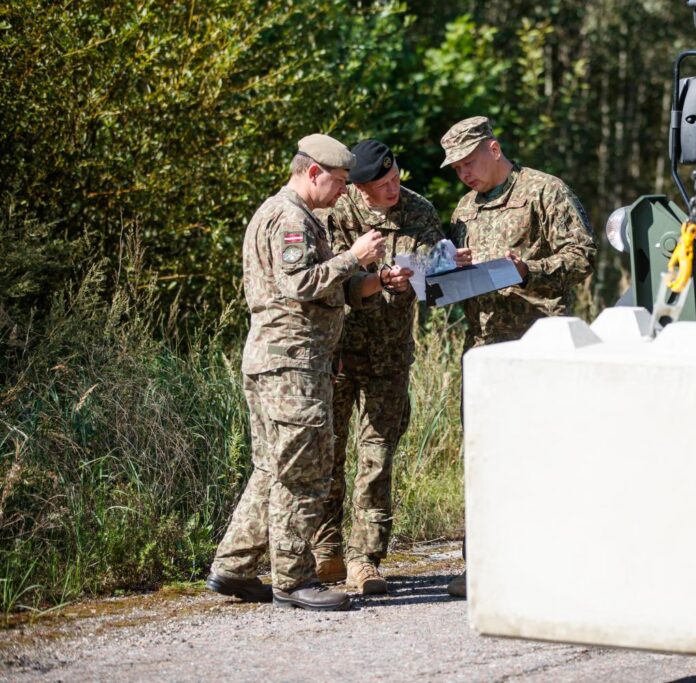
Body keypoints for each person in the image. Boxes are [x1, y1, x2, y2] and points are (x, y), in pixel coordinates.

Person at [205, 134, 405, 611]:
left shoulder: (284, 213)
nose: (342, 192)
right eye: (337, 182)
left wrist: (371, 282)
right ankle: (293, 580)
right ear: (312, 173)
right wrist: (354, 257)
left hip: (279, 361)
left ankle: (233, 566)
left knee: (271, 467)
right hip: (292, 364)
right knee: (303, 472)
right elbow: (299, 285)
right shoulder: (292, 218)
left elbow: (321, 289)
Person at [439, 116, 596, 597]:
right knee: (484, 458)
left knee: (543, 453)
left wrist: (528, 270)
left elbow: (583, 255)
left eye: (469, 163)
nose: (464, 174)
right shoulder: (464, 209)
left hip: (536, 347)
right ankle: (484, 565)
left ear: (493, 148)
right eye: (457, 168)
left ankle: (550, 560)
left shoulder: (544, 191)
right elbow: (447, 272)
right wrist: (450, 267)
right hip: (482, 351)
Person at [310, 140, 443, 594]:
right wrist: (371, 275)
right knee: (330, 451)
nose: (393, 188)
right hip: (340, 352)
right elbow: (321, 275)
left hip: (390, 353)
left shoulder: (419, 210)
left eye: (395, 177)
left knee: (378, 455)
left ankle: (364, 558)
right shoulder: (335, 209)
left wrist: (425, 273)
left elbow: (435, 271)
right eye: (380, 185)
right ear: (359, 188)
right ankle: (324, 550)